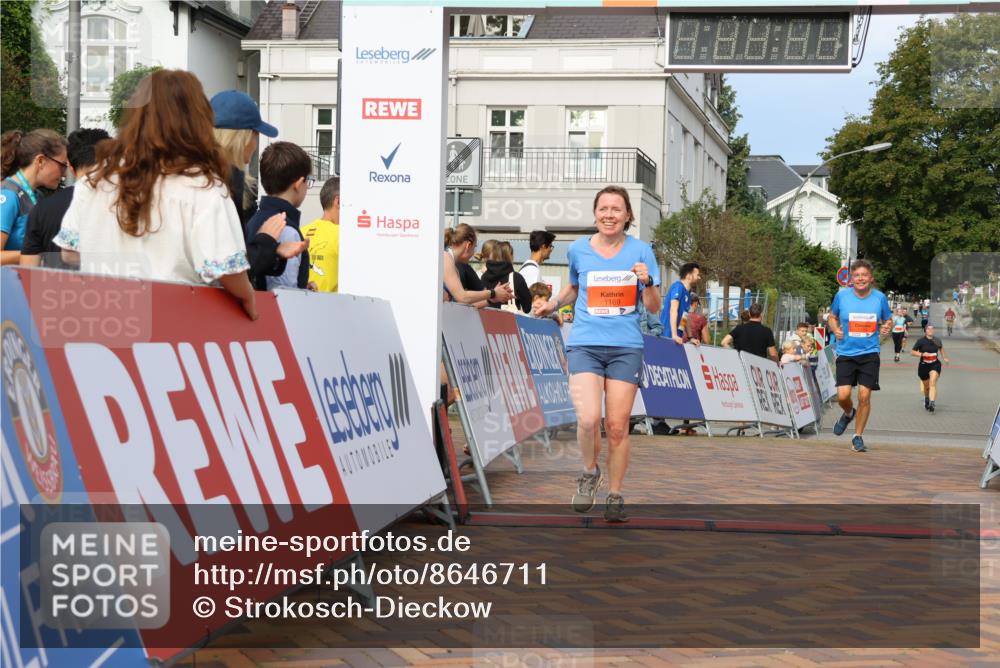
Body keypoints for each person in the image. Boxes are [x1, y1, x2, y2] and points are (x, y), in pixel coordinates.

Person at [54, 69, 257, 319]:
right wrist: (248, 297)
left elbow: (70, 252)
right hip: (172, 322)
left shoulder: (96, 180)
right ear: (198, 121)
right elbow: (227, 269)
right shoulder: (203, 186)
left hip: (102, 318)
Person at [533, 185, 661, 523]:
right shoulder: (578, 249)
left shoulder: (642, 252)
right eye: (603, 208)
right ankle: (589, 472)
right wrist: (552, 304)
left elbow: (654, 307)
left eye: (616, 209)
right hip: (585, 343)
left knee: (617, 427)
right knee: (588, 418)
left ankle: (615, 494)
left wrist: (647, 283)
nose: (609, 214)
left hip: (625, 347)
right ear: (595, 213)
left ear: (627, 215)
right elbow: (575, 287)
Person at [211, 90, 304, 283]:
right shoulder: (212, 188)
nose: (255, 145)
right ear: (242, 137)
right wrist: (264, 243)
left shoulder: (212, 181)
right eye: (255, 135)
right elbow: (221, 268)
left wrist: (274, 251)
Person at [826, 259, 893, 453]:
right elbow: (832, 316)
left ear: (871, 278)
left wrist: (887, 326)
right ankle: (848, 413)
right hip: (846, 353)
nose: (860, 278)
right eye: (857, 275)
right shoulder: (842, 296)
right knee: (843, 396)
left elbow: (887, 319)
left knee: (864, 396)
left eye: (864, 275)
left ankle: (857, 436)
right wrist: (835, 329)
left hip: (870, 353)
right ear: (851, 278)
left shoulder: (879, 298)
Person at [20, 128, 108, 268]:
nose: (64, 174)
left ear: (72, 168)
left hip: (52, 289)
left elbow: (27, 272)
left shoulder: (41, 209)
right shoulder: (128, 203)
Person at [245, 141, 313, 291]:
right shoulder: (285, 229)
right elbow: (283, 293)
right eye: (308, 182)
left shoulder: (255, 219)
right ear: (299, 183)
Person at [1, 129, 68, 265]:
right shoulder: (8, 195)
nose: (65, 174)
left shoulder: (38, 196)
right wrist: (35, 253)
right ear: (41, 161)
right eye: (62, 165)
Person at [443, 224, 512, 306]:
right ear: (468, 245)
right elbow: (462, 297)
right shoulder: (446, 257)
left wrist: (491, 299)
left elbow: (461, 303)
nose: (474, 253)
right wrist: (493, 293)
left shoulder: (449, 259)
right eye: (474, 247)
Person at [301, 176, 340, 292]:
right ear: (338, 201)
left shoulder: (301, 232)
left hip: (303, 304)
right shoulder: (344, 235)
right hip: (333, 306)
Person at [481, 241, 532, 313]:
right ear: (510, 256)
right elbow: (527, 308)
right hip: (509, 322)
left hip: (486, 321)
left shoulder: (484, 277)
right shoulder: (516, 277)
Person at [911, 324, 949, 412]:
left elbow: (941, 350)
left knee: (932, 383)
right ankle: (927, 397)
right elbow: (912, 352)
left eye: (932, 329)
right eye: (929, 329)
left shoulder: (937, 340)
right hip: (924, 365)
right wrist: (922, 354)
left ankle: (932, 402)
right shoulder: (920, 341)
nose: (931, 330)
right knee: (926, 386)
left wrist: (945, 358)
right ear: (925, 331)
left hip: (935, 364)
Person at [661, 262, 701, 345]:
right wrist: (674, 335)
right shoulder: (678, 287)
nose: (699, 277)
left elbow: (685, 316)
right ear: (689, 276)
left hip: (676, 338)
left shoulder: (688, 293)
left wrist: (690, 337)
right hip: (667, 336)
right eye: (697, 275)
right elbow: (673, 310)